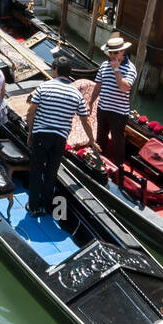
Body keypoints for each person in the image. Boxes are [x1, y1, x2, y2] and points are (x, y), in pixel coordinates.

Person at [24, 55, 101, 217]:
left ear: (56, 70)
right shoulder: (76, 94)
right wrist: (92, 141)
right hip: (59, 139)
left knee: (36, 170)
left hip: (41, 134)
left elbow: (31, 112)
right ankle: (44, 206)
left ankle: (33, 206)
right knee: (52, 172)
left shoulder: (43, 88)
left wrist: (30, 132)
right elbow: (85, 120)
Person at [89, 35, 136, 167]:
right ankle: (99, 163)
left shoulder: (130, 68)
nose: (113, 55)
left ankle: (119, 168)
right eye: (111, 53)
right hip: (103, 108)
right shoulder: (104, 65)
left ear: (123, 52)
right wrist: (91, 102)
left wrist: (116, 69)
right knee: (101, 137)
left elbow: (124, 88)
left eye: (116, 52)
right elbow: (98, 85)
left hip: (119, 112)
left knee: (117, 141)